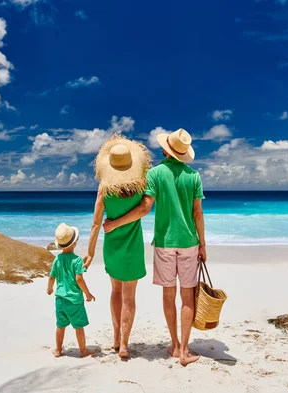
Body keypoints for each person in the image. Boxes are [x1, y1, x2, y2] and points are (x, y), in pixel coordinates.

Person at [103, 128, 206, 367]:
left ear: (165, 149)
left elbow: (144, 208)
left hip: (164, 243)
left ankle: (173, 344)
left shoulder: (155, 174)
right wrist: (202, 243)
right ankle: (185, 350)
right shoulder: (194, 176)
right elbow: (197, 212)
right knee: (187, 296)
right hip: (189, 243)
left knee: (168, 295)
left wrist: (115, 223)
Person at [84, 135, 151, 359]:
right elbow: (143, 211)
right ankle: (123, 344)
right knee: (129, 296)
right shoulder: (141, 187)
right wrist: (119, 223)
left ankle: (115, 338)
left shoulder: (104, 190)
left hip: (111, 247)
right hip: (133, 248)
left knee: (115, 291)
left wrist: (90, 252)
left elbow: (95, 223)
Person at [47, 223, 96, 358]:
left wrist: (49, 288)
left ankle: (57, 350)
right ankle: (83, 350)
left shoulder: (58, 259)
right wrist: (88, 293)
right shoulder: (77, 260)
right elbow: (79, 279)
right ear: (74, 243)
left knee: (60, 325)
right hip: (74, 300)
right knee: (78, 326)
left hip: (60, 299)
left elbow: (52, 276)